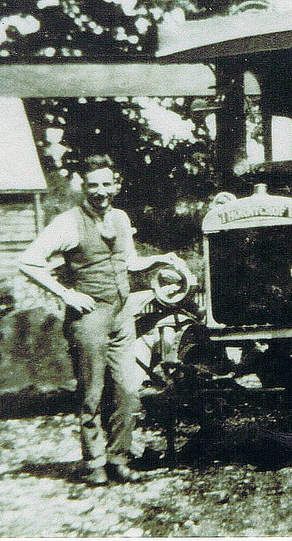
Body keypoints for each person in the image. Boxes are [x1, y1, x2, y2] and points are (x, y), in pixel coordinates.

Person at [20, 154, 184, 485]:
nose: (100, 191)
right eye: (92, 184)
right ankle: (94, 462)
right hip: (90, 316)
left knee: (128, 388)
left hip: (123, 315)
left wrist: (158, 259)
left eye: (106, 184)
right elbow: (28, 262)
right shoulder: (67, 222)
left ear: (116, 186)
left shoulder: (121, 218)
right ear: (83, 186)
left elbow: (129, 262)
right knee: (92, 392)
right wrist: (66, 294)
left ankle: (118, 457)